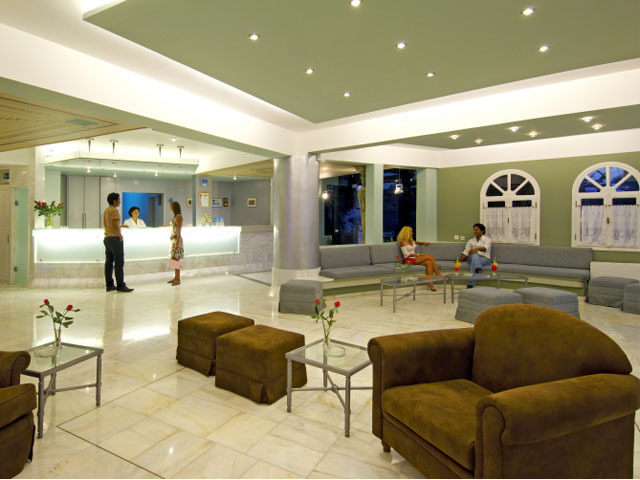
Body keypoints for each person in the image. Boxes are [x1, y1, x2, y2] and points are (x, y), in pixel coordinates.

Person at [102, 193, 133, 293]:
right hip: (115, 238)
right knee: (119, 262)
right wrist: (120, 235)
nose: (120, 201)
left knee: (109, 262)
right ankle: (121, 285)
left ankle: (109, 284)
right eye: (119, 199)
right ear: (114, 201)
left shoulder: (106, 211)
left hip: (107, 237)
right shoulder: (114, 210)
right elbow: (116, 224)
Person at [397, 226, 442, 292]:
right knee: (430, 257)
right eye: (411, 232)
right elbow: (406, 255)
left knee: (429, 262)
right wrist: (418, 255)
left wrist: (423, 243)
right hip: (408, 260)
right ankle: (438, 273)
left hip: (414, 258)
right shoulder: (402, 243)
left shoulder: (411, 241)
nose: (412, 233)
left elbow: (416, 242)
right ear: (406, 233)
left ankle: (430, 283)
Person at [458, 223, 492, 288]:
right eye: (474, 230)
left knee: (473, 261)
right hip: (472, 258)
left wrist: (476, 249)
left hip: (485, 259)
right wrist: (459, 261)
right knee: (474, 255)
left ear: (482, 231)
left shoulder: (487, 239)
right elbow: (465, 252)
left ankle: (470, 285)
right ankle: (478, 268)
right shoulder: (471, 241)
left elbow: (485, 249)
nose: (474, 231)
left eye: (477, 230)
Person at [168, 201, 184, 286]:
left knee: (176, 259)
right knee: (173, 259)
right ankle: (176, 277)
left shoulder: (178, 216)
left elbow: (179, 230)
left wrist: (177, 243)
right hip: (174, 240)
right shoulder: (175, 217)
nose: (170, 208)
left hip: (177, 240)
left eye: (171, 207)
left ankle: (178, 279)